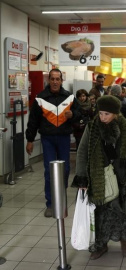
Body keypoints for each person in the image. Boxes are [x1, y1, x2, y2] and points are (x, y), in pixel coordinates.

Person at [72, 95, 126, 260]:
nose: (103, 117)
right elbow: (82, 151)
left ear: (116, 113)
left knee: (123, 209)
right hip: (100, 176)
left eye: (107, 114)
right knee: (101, 211)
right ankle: (101, 245)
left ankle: (125, 239)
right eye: (100, 113)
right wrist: (82, 178)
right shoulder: (92, 127)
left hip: (123, 176)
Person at [25, 68, 80, 217]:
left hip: (63, 138)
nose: (55, 82)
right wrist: (30, 140)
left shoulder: (69, 98)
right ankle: (50, 203)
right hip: (47, 139)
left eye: (58, 79)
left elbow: (80, 115)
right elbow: (33, 121)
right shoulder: (40, 98)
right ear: (49, 80)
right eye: (52, 79)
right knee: (49, 171)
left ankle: (60, 199)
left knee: (65, 170)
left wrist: (73, 114)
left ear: (61, 81)